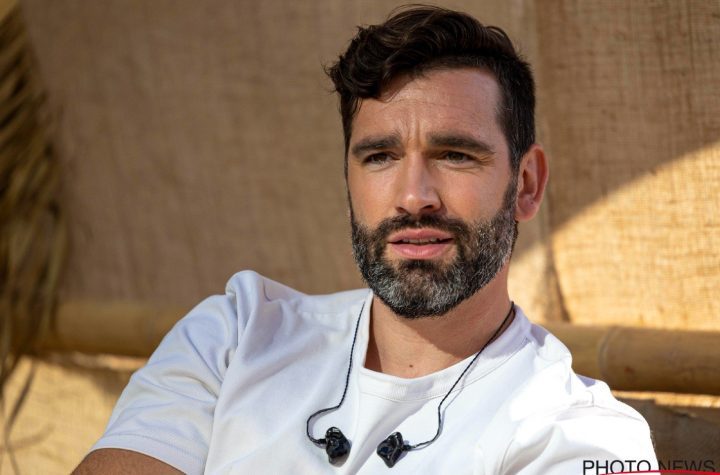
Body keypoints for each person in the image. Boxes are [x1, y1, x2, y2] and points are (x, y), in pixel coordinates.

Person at [75, 6, 656, 474]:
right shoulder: (235, 336)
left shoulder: (580, 437)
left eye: (455, 154)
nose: (414, 197)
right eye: (380, 156)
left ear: (525, 184)